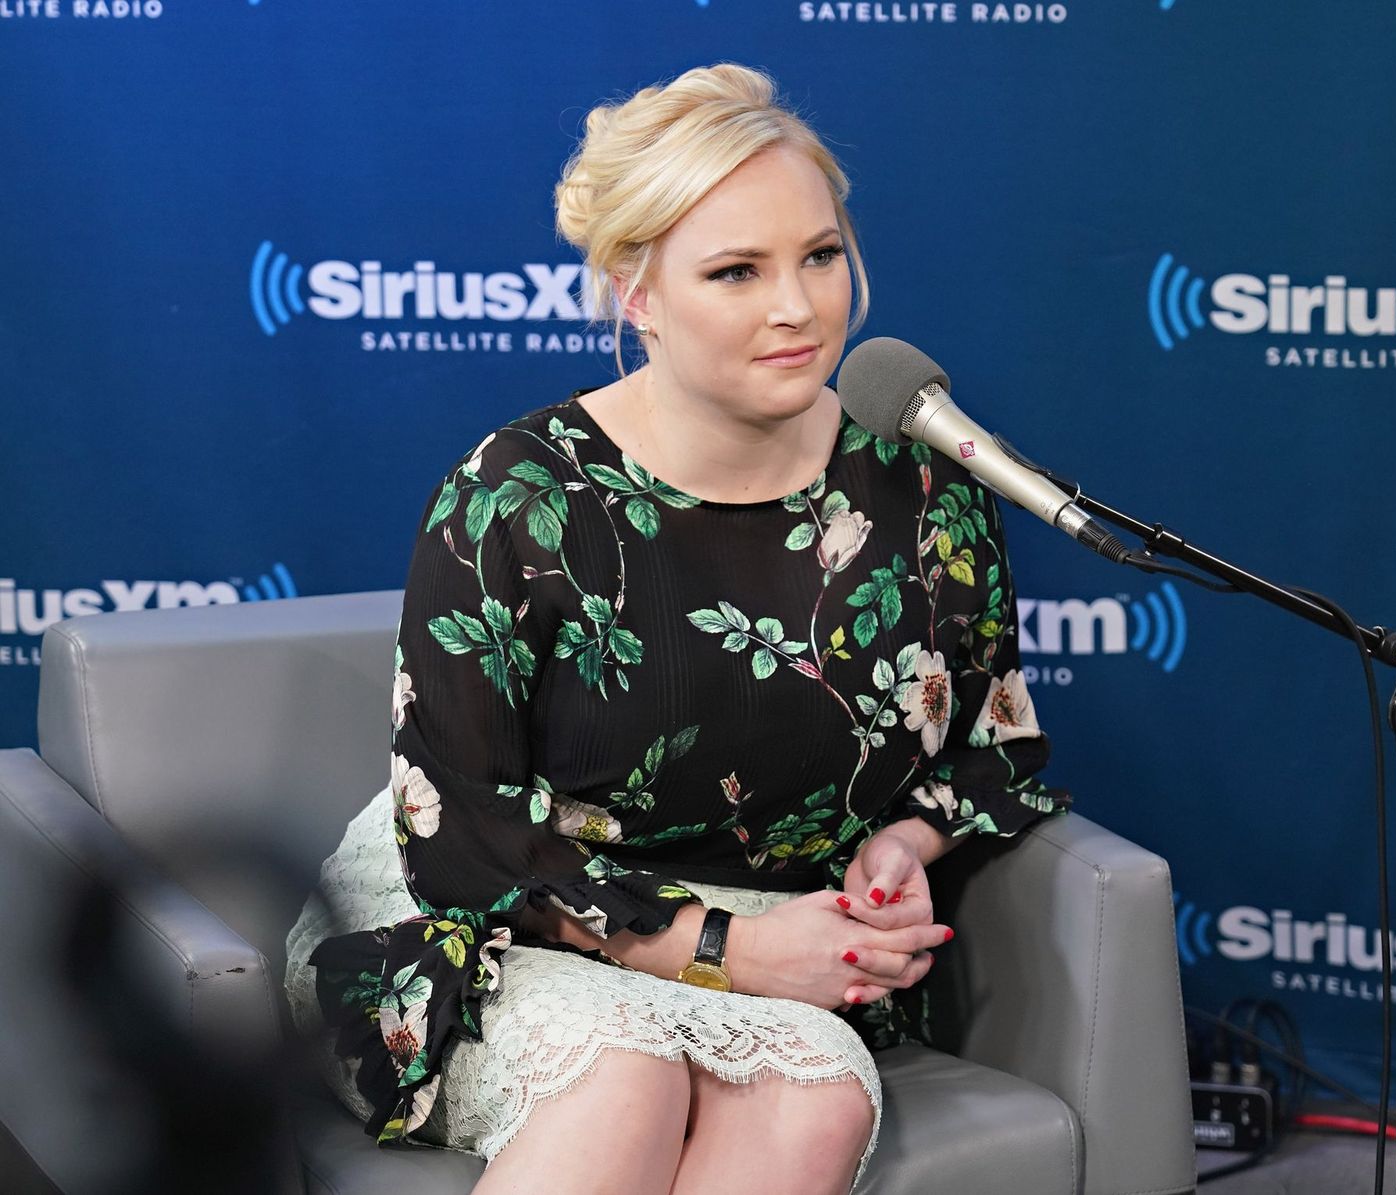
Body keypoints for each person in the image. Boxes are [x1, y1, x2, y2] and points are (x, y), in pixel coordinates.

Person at [283, 62, 1068, 1195]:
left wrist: (905, 846)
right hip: (498, 920)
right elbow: (464, 840)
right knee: (622, 1085)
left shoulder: (923, 487)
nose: (798, 305)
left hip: (780, 930)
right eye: (736, 270)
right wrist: (734, 954)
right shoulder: (517, 496)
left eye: (820, 254)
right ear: (636, 292)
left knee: (810, 1098)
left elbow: (994, 743)